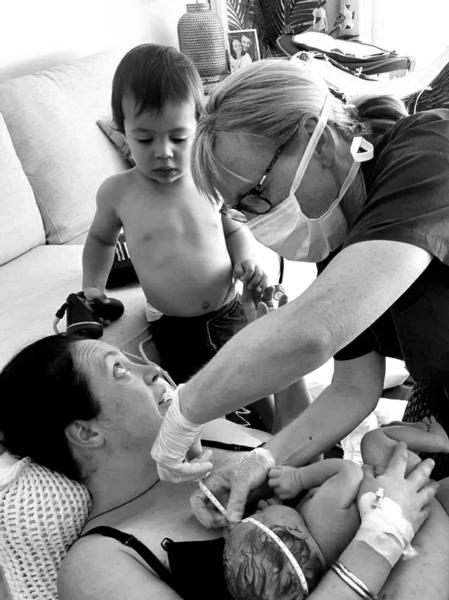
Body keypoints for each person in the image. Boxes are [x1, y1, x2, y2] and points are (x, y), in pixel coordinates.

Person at [150, 56, 449, 515]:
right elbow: (353, 387)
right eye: (241, 211)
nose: (258, 222)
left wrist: (184, 410)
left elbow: (315, 330)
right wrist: (263, 460)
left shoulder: (430, 152)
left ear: (318, 138)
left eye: (258, 194)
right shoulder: (340, 230)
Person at [0, 335, 448, 600]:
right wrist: (385, 533)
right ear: (85, 433)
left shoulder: (211, 437)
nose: (151, 369)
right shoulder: (98, 565)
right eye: (120, 370)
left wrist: (285, 368)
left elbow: (298, 452)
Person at [81, 44, 267, 393]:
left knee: (256, 384)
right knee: (194, 398)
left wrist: (245, 258)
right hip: (176, 327)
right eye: (145, 138)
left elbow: (231, 226)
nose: (163, 152)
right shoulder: (118, 192)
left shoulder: (209, 177)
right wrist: (93, 286)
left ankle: (277, 435)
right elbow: (101, 241)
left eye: (179, 138)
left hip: (230, 310)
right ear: (123, 130)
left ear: (199, 125)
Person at [223, 418, 449, 599]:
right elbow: (350, 472)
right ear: (294, 530)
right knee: (374, 441)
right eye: (260, 515)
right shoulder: (319, 514)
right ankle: (438, 440)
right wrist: (298, 478)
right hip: (401, 490)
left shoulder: (324, 568)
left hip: (420, 529)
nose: (260, 507)